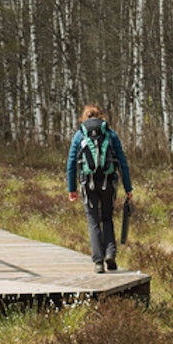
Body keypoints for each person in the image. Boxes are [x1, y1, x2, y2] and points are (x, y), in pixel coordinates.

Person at [66, 104, 133, 273]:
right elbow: (122, 161)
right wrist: (128, 187)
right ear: (101, 116)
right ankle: (110, 254)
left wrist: (71, 188)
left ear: (84, 117)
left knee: (93, 220)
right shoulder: (110, 134)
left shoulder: (80, 134)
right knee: (107, 218)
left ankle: (98, 262)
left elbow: (71, 163)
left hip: (87, 184)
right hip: (108, 182)